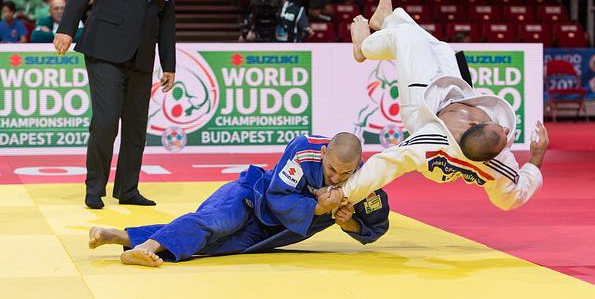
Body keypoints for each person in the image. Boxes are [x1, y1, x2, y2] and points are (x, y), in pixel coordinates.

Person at [343, 0, 549, 211]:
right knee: (442, 49)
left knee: (408, 38)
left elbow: (384, 165)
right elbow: (511, 198)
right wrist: (536, 158)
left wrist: (343, 194)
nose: (507, 130)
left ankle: (364, 47)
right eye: (503, 132)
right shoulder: (499, 156)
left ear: (472, 124)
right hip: (453, 96)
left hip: (423, 110)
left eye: (502, 133)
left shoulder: (433, 140)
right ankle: (386, 20)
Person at [87, 133, 389, 267]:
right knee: (217, 222)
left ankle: (119, 237)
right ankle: (145, 248)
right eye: (331, 169)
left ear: (359, 164)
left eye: (345, 172)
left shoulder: (364, 180)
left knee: (211, 245)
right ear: (324, 153)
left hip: (273, 232)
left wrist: (347, 222)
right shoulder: (304, 149)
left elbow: (377, 225)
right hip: (251, 195)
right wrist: (318, 207)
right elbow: (278, 196)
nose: (336, 178)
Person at [53, 0, 177, 210]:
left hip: (142, 55)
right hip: (105, 49)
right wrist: (66, 28)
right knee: (106, 122)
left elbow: (166, 19)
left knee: (136, 127)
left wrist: (169, 63)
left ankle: (127, 189)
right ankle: (95, 188)